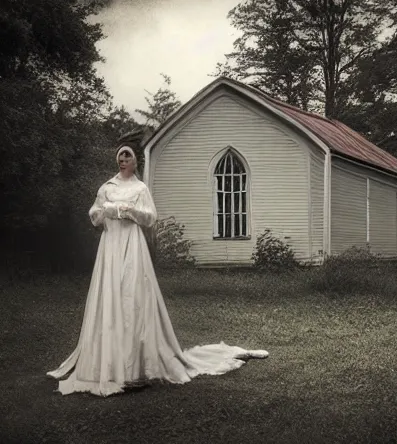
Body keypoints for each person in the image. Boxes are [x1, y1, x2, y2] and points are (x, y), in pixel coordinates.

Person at [47, 144, 268, 397]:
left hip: (132, 246)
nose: (122, 160)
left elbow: (151, 217)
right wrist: (105, 210)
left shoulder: (140, 189)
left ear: (135, 162)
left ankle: (135, 367)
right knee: (110, 298)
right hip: (110, 247)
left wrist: (129, 211)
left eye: (127, 156)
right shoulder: (107, 187)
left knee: (132, 298)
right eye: (120, 156)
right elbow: (94, 214)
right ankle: (107, 363)